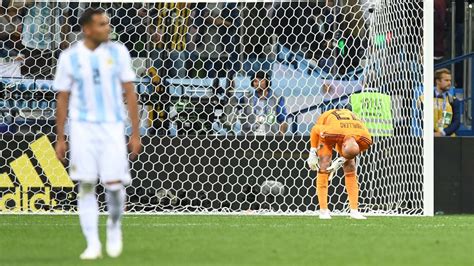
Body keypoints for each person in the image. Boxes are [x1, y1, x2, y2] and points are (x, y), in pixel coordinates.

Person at [53, 8, 141, 260]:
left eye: (108, 23)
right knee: (86, 185)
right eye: (102, 24)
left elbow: (130, 92)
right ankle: (92, 243)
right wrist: (61, 137)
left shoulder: (119, 52)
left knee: (114, 185)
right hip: (82, 128)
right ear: (87, 29)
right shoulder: (69, 57)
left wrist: (134, 132)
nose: (107, 28)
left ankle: (114, 227)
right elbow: (62, 97)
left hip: (113, 127)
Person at [306, 109, 372, 220]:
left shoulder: (366, 139)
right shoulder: (330, 131)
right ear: (343, 144)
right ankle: (323, 210)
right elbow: (314, 129)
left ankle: (354, 211)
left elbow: (352, 153)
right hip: (328, 121)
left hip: (347, 129)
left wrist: (343, 159)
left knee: (350, 165)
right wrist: (312, 152)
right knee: (324, 163)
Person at [431, 68, 460, 137]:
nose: (449, 83)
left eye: (450, 80)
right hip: (429, 138)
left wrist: (443, 133)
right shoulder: (426, 99)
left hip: (448, 138)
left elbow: (456, 122)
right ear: (438, 81)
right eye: (446, 80)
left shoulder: (453, 100)